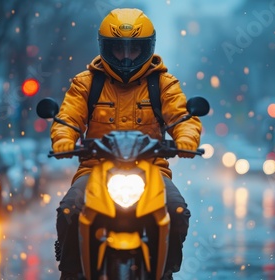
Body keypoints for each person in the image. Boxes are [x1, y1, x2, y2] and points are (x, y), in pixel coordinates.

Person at [51, 8, 202, 280]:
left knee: (176, 210)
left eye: (134, 50)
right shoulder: (86, 83)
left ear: (148, 48)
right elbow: (68, 117)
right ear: (104, 48)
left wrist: (187, 139)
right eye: (118, 49)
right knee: (70, 210)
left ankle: (164, 271)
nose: (126, 56)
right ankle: (72, 271)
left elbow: (182, 117)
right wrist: (63, 140)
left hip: (152, 170)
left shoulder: (163, 84)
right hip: (95, 170)